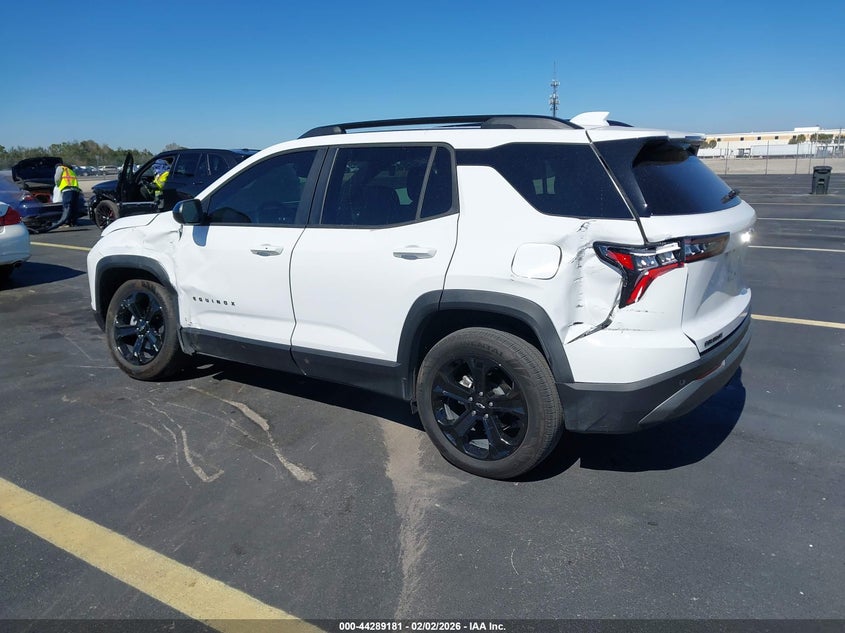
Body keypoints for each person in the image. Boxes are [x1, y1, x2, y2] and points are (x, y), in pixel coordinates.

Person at [54, 162, 84, 227]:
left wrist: (57, 185)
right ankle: (73, 222)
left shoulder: (60, 168)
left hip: (67, 189)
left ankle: (65, 222)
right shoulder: (70, 170)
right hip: (75, 189)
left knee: (67, 206)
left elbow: (57, 178)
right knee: (74, 206)